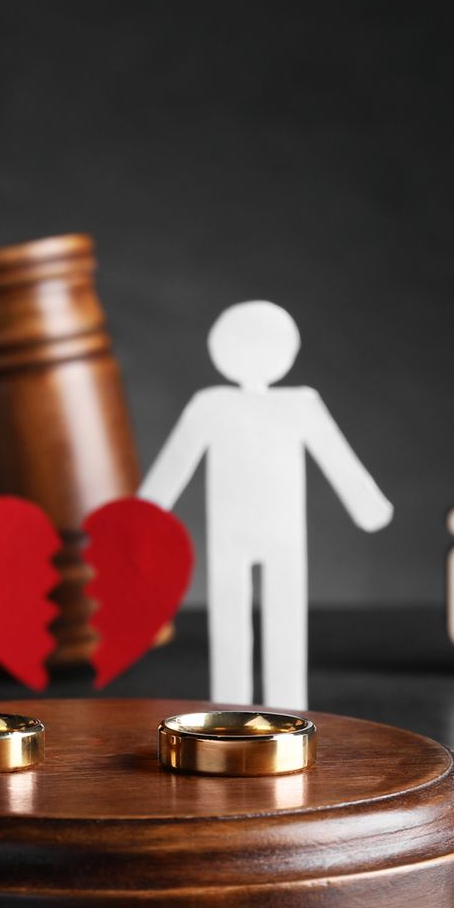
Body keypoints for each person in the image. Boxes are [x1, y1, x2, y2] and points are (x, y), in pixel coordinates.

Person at [139, 300, 392, 708]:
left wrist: (367, 505)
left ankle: (280, 711)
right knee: (236, 618)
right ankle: (236, 710)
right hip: (241, 534)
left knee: (276, 618)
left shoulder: (279, 405)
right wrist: (146, 512)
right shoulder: (223, 405)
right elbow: (175, 463)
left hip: (272, 535)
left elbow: (336, 457)